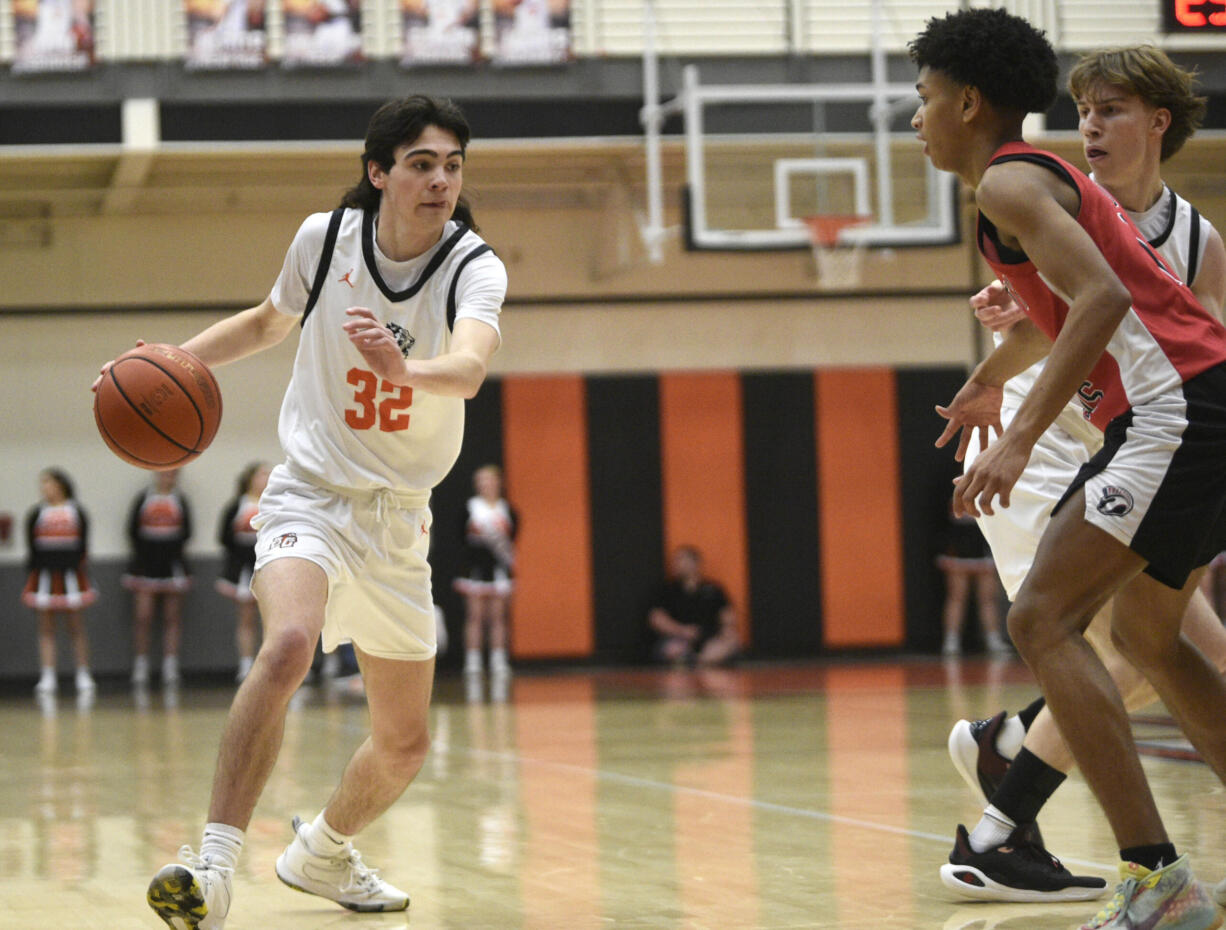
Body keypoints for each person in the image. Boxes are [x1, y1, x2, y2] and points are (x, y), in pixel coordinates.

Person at [95, 95, 506, 930]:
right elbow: (264, 323)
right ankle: (210, 865)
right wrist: (156, 362)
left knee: (403, 746)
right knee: (288, 643)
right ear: (379, 171)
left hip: (400, 520)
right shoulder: (326, 239)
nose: (439, 180)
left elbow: (467, 369)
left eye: (452, 165)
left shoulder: (475, 266)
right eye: (422, 164)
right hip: (310, 493)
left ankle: (321, 850)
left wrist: (405, 370)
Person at [915, 11, 1226, 929]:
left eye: (926, 98)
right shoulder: (1036, 184)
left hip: (1173, 412)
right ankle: (1141, 868)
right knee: (1152, 640)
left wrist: (1016, 440)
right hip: (1194, 407)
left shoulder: (1010, 182)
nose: (917, 117)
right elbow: (1075, 307)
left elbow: (1103, 301)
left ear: (969, 102)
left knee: (1041, 616)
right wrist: (983, 385)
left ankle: (1155, 877)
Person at [23, 468, 98, 696]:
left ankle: (83, 674)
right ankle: (47, 675)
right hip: (45, 574)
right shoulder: (37, 513)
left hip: (70, 574)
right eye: (42, 484)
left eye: (49, 483)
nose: (45, 488)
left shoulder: (76, 511)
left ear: (61, 485)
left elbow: (83, 545)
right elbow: (32, 547)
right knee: (46, 628)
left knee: (75, 626)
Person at [123, 468, 193, 687]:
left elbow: (188, 531)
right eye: (164, 473)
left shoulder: (180, 500)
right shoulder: (143, 498)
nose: (167, 477)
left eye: (172, 474)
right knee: (143, 616)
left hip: (172, 564)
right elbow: (131, 530)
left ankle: (170, 665)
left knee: (172, 617)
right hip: (146, 564)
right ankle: (141, 664)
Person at [454, 464, 517, 685]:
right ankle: (473, 661)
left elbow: (513, 537)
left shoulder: (507, 509)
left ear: (498, 482)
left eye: (489, 480)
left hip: (498, 568)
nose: (485, 484)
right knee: (475, 616)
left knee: (498, 617)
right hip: (475, 570)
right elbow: (461, 536)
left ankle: (498, 660)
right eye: (480, 480)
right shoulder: (470, 508)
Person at [215, 462, 271, 683]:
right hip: (244, 569)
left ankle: (273, 665)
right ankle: (246, 665)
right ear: (250, 478)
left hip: (270, 566)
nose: (266, 478)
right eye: (262, 474)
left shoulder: (278, 502)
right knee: (246, 619)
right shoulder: (236, 506)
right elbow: (224, 537)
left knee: (271, 619)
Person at [937, 499, 1008, 657]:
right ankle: (951, 641)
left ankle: (993, 640)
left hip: (983, 545)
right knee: (956, 597)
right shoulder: (955, 486)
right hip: (958, 545)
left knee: (988, 599)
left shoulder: (988, 485)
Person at [647, 546, 740, 667]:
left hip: (709, 640)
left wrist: (727, 631)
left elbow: (727, 615)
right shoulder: (667, 590)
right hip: (678, 639)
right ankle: (689, 660)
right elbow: (656, 619)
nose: (677, 564)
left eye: (682, 560)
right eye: (676, 561)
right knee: (670, 649)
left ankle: (698, 660)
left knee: (730, 642)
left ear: (696, 563)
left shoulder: (713, 589)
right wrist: (682, 631)